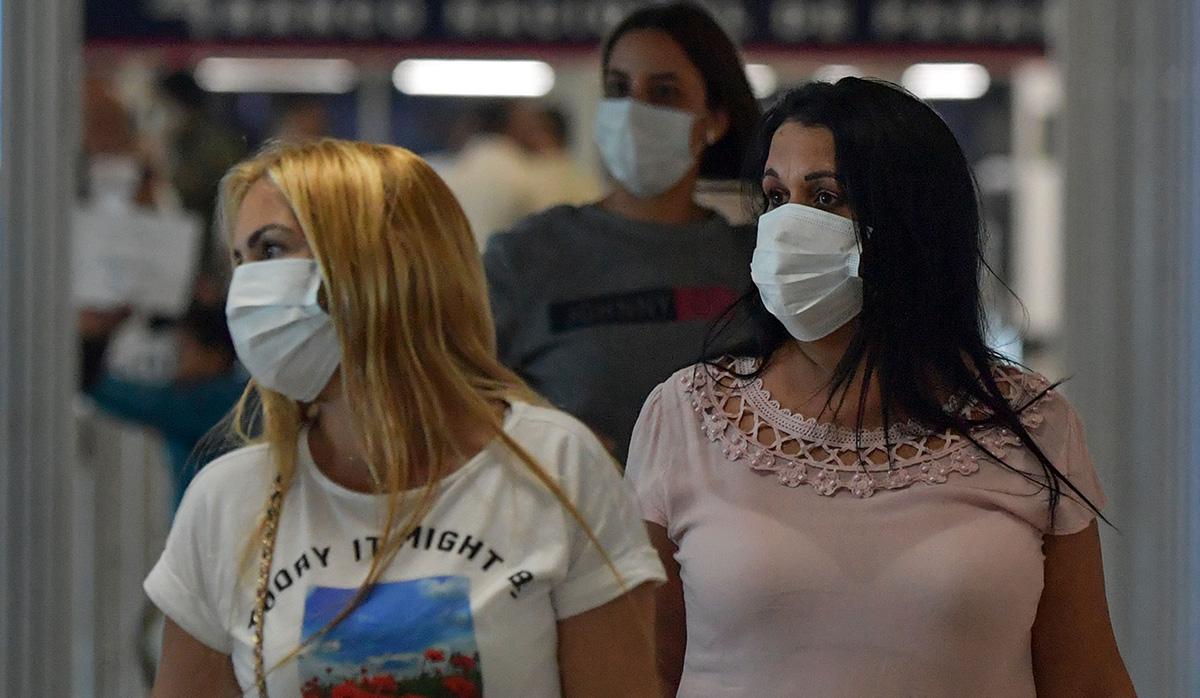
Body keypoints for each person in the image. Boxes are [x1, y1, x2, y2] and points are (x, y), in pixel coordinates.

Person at [625, 78, 1135, 696]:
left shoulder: (1032, 425)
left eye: (826, 196)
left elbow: (1086, 681)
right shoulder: (684, 416)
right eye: (776, 196)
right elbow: (639, 670)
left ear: (908, 217)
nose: (789, 225)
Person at [144, 139, 665, 696]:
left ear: (384, 260)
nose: (247, 289)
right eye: (241, 260)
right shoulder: (228, 499)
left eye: (272, 250)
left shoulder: (555, 467)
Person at [484, 2, 761, 462]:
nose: (634, 109)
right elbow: (453, 402)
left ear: (715, 119)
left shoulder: (755, 264)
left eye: (664, 92)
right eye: (618, 88)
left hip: (720, 528)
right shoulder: (523, 259)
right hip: (569, 524)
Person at [81, 302, 247, 512]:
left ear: (215, 355)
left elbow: (141, 402)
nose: (175, 359)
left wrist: (97, 333)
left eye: (183, 348)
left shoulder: (211, 402)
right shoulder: (236, 395)